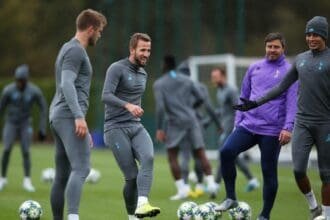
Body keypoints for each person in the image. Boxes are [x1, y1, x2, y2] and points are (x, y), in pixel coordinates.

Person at [233, 17, 330, 220]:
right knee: (298, 170)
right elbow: (280, 87)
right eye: (309, 34)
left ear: (324, 36)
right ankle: (314, 207)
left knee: (326, 174)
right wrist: (255, 102)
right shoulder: (301, 60)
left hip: (325, 124)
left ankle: (327, 215)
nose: (311, 38)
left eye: (316, 35)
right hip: (303, 123)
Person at [215, 32, 297, 220]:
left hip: (272, 130)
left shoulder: (290, 71)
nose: (272, 50)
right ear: (265, 47)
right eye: (269, 46)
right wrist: (238, 122)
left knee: (268, 172)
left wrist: (288, 127)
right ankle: (230, 198)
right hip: (248, 125)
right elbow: (243, 96)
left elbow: (292, 103)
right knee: (226, 151)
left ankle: (265, 215)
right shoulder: (254, 68)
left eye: (276, 47)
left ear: (283, 48)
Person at [49, 9, 107, 220]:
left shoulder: (66, 47)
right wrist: (78, 116)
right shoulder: (76, 51)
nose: (99, 35)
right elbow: (66, 83)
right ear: (90, 29)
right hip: (67, 116)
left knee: (62, 176)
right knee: (82, 168)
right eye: (99, 31)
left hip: (58, 116)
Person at [102, 33, 160, 220]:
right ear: (132, 49)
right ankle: (132, 217)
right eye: (142, 50)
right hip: (115, 128)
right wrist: (128, 105)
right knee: (132, 177)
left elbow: (135, 96)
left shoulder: (143, 73)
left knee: (149, 157)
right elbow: (106, 95)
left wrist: (135, 109)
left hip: (135, 127)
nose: (146, 54)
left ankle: (142, 203)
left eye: (149, 50)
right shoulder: (116, 68)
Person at [153, 55, 218, 201]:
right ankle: (212, 184)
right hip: (192, 119)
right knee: (200, 152)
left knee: (172, 155)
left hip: (175, 122)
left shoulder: (159, 83)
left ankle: (183, 189)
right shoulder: (187, 80)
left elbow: (160, 108)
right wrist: (189, 109)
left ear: (164, 64)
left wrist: (159, 128)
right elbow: (201, 97)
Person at [176, 60, 222, 198]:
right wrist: (218, 124)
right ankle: (201, 185)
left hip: (182, 125)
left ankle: (184, 188)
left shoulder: (176, 88)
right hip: (197, 124)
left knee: (184, 155)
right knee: (199, 155)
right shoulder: (199, 87)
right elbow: (208, 107)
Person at [210, 67, 259, 194]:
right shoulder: (220, 91)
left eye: (216, 76)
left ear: (223, 76)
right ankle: (252, 179)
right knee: (231, 156)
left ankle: (215, 184)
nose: (214, 79)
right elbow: (223, 110)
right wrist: (209, 120)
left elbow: (238, 107)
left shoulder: (231, 90)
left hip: (231, 126)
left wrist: (236, 126)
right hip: (224, 126)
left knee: (223, 152)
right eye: (212, 77)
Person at [0, 64, 47, 192]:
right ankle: (2, 178)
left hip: (25, 123)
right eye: (18, 80)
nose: (19, 83)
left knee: (26, 150)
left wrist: (42, 127)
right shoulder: (8, 90)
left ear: (26, 80)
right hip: (11, 122)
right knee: (7, 149)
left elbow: (43, 108)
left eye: (22, 80)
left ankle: (27, 180)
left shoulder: (34, 91)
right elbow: (1, 108)